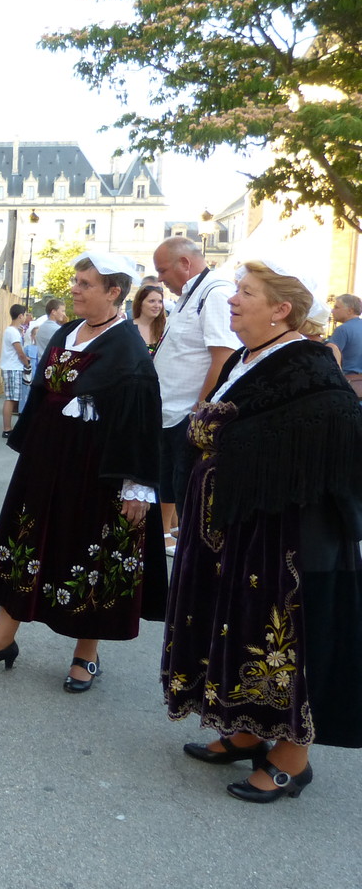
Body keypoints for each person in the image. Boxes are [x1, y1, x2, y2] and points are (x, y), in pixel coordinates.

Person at [162, 259, 362, 803]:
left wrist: (229, 439)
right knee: (241, 630)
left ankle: (293, 760)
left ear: (280, 309)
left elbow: (338, 430)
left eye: (245, 293)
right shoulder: (254, 358)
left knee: (288, 640)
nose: (231, 300)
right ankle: (250, 729)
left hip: (290, 538)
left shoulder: (310, 363)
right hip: (245, 531)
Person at [0, 252, 167, 691]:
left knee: (90, 554)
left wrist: (137, 485)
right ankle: (2, 640)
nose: (74, 289)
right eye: (75, 281)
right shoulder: (67, 332)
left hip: (96, 474)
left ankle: (85, 654)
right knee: (25, 546)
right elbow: (42, 392)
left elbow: (140, 420)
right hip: (47, 465)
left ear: (113, 292)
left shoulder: (128, 347)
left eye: (85, 284)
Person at [152, 236, 239, 554]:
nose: (160, 278)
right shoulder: (193, 292)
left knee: (188, 494)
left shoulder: (215, 292)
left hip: (186, 417)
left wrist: (198, 411)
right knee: (171, 485)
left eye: (163, 270)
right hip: (171, 413)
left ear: (184, 264)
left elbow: (223, 356)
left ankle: (192, 562)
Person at [0, 304, 31, 437]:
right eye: (25, 315)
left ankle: (9, 428)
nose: (25, 317)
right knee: (11, 399)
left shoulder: (12, 330)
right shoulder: (12, 332)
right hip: (13, 367)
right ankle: (7, 429)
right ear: (20, 316)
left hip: (12, 367)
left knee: (13, 398)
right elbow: (20, 353)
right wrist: (27, 363)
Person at [329, 292, 362, 398]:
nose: (332, 310)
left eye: (336, 307)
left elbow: (330, 357)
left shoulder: (342, 330)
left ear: (350, 310)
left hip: (348, 384)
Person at [132, 282, 167, 353]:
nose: (157, 306)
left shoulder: (165, 328)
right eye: (152, 301)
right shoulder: (127, 328)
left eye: (160, 302)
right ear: (140, 303)